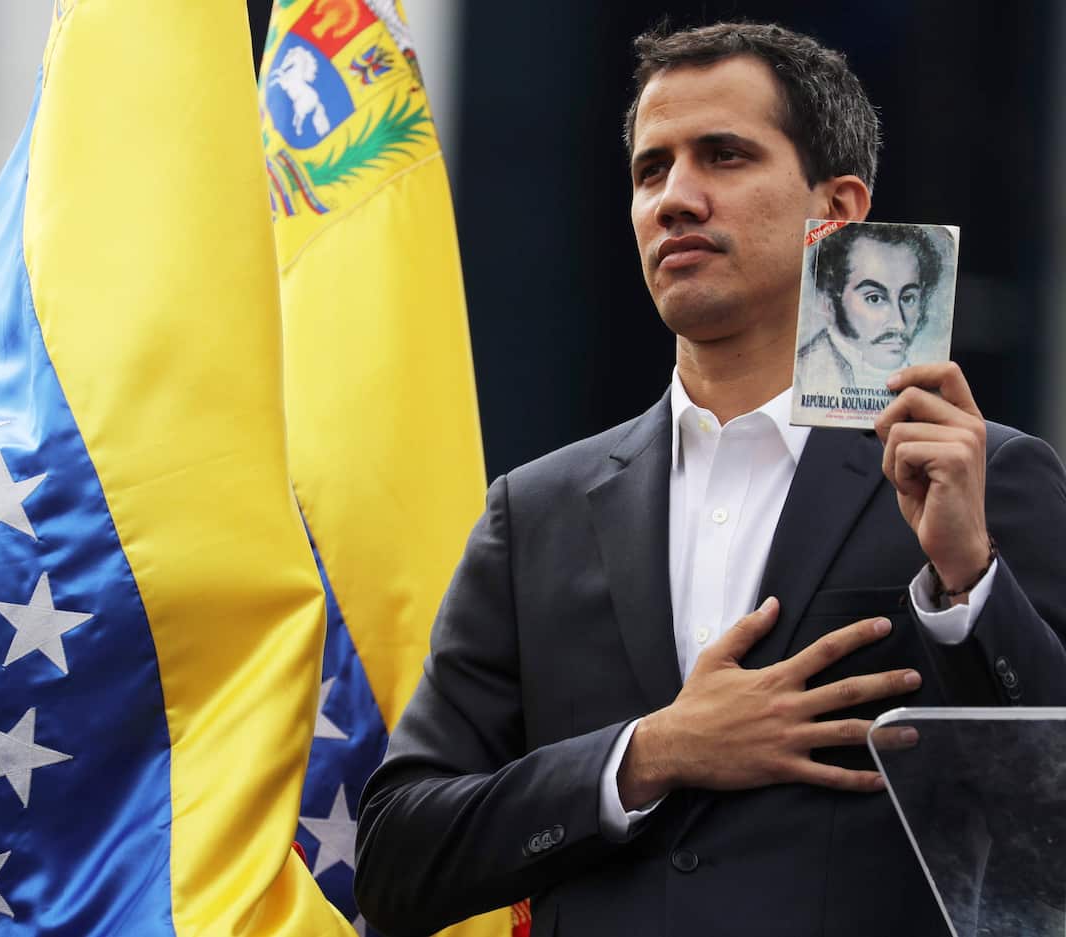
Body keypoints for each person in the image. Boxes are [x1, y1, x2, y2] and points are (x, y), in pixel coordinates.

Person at [354, 21, 1066, 937]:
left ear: (840, 209)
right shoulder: (534, 513)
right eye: (651, 170)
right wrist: (648, 753)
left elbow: (1050, 826)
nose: (676, 199)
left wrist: (969, 581)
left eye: (724, 156)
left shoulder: (982, 476)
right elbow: (396, 857)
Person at [797, 222, 948, 389]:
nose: (899, 324)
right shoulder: (799, 379)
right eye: (874, 298)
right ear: (829, 303)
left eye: (907, 298)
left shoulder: (928, 381)